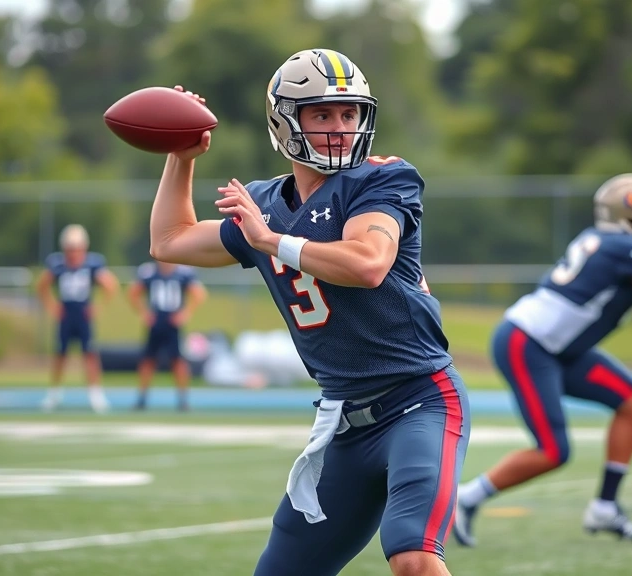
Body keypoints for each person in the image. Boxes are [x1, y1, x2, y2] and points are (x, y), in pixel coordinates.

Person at [148, 49, 470, 576]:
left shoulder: (382, 181)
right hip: (342, 421)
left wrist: (271, 241)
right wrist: (181, 157)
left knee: (413, 556)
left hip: (418, 402)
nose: (340, 128)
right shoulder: (265, 203)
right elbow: (169, 240)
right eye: (322, 114)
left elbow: (367, 262)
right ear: (284, 123)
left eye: (349, 114)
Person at [453, 174, 632, 547]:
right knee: (553, 450)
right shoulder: (628, 249)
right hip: (528, 343)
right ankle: (464, 498)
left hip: (556, 347)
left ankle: (605, 507)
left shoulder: (609, 241)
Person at [36, 224, 119, 413]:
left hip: (83, 315)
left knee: (90, 354)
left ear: (84, 247)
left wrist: (98, 306)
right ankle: (54, 394)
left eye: (76, 248)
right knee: (60, 355)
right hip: (66, 314)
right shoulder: (57, 264)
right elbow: (42, 285)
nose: (73, 253)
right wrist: (52, 306)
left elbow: (110, 285)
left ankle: (95, 395)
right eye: (70, 249)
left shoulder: (92, 264)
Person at [126, 260, 207, 411]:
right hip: (156, 321)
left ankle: (183, 400)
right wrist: (144, 313)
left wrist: (186, 313)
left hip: (173, 323)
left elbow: (199, 294)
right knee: (148, 360)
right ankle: (142, 398)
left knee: (177, 361)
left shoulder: (183, 272)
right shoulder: (149, 271)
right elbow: (133, 292)